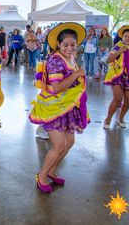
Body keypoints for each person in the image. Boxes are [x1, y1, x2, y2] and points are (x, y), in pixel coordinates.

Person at [29, 22, 89, 193]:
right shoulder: (55, 60)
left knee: (69, 142)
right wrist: (77, 74)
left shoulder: (71, 58)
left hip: (67, 107)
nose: (70, 48)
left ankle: (52, 171)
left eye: (73, 45)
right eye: (66, 45)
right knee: (59, 146)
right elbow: (57, 88)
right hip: (53, 108)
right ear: (58, 45)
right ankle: (41, 176)